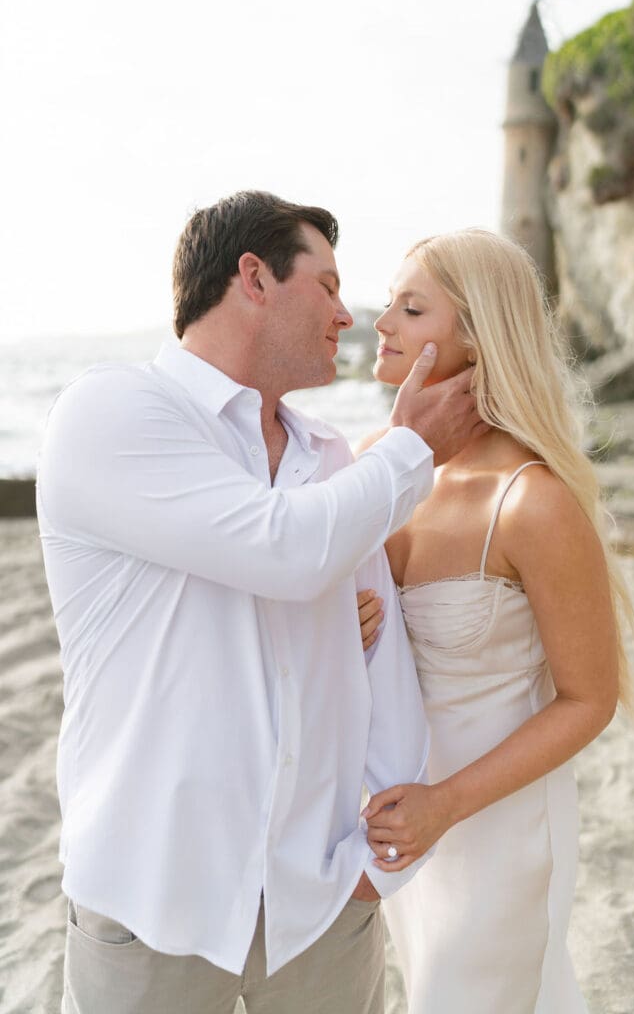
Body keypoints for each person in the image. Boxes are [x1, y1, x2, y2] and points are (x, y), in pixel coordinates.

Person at [37, 191, 486, 1014]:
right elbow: (282, 550)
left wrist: (374, 869)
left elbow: (381, 665)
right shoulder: (113, 412)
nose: (348, 317)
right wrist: (412, 445)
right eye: (327, 285)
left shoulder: (329, 457)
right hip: (152, 903)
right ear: (254, 278)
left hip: (319, 903)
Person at [356, 229, 634, 1013]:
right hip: (391, 824)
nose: (380, 324)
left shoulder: (531, 502)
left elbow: (589, 699)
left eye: (410, 309)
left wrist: (444, 804)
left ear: (478, 337)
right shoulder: (372, 467)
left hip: (493, 823)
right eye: (387, 304)